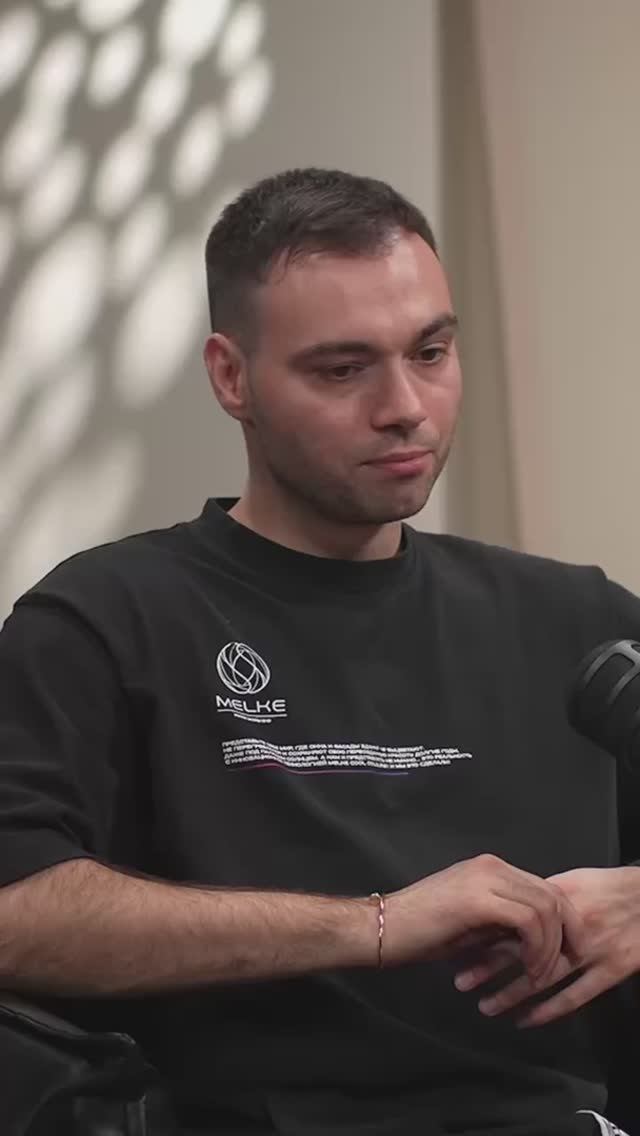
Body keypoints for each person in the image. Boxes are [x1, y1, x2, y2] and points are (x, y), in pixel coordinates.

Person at [0, 167, 638, 1136]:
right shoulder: (108, 620)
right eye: (343, 369)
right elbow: (15, 911)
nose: (405, 405)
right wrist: (373, 924)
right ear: (231, 377)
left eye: (431, 351)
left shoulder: (574, 620)